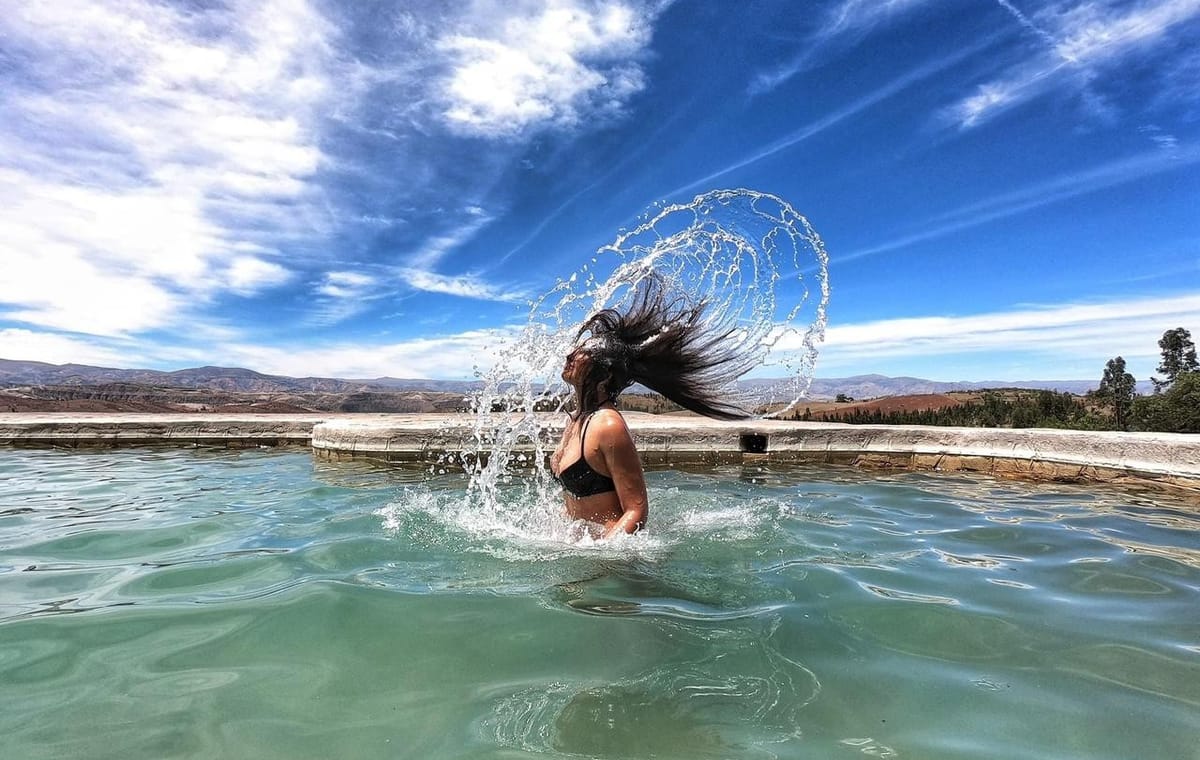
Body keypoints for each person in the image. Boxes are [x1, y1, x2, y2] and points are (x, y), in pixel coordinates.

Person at [550, 276, 755, 539]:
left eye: (584, 353)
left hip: (607, 557)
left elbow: (636, 511)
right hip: (580, 551)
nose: (570, 355)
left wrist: (602, 555)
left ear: (605, 375)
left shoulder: (607, 425)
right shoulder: (578, 420)